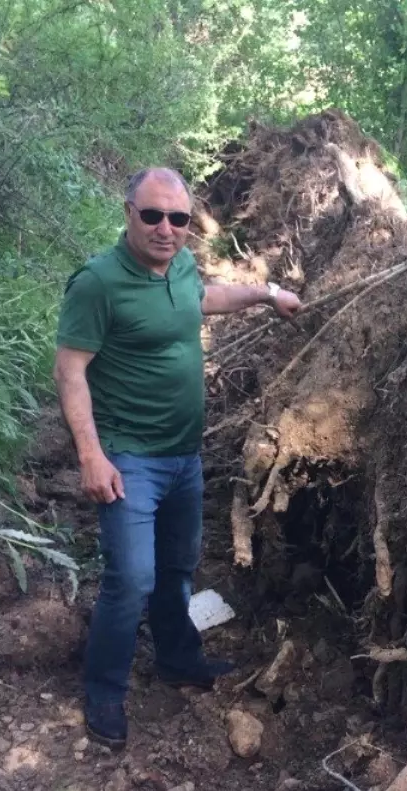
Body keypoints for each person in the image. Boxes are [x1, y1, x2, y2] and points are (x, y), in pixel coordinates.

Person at [53, 167, 301, 750]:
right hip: (129, 457)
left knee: (177, 567)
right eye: (153, 215)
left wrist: (267, 294)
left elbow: (204, 297)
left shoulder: (181, 266)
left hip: (184, 455)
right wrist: (91, 455)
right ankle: (105, 691)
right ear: (128, 213)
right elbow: (70, 370)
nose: (166, 229)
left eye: (179, 219)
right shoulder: (98, 283)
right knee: (131, 578)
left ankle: (177, 658)